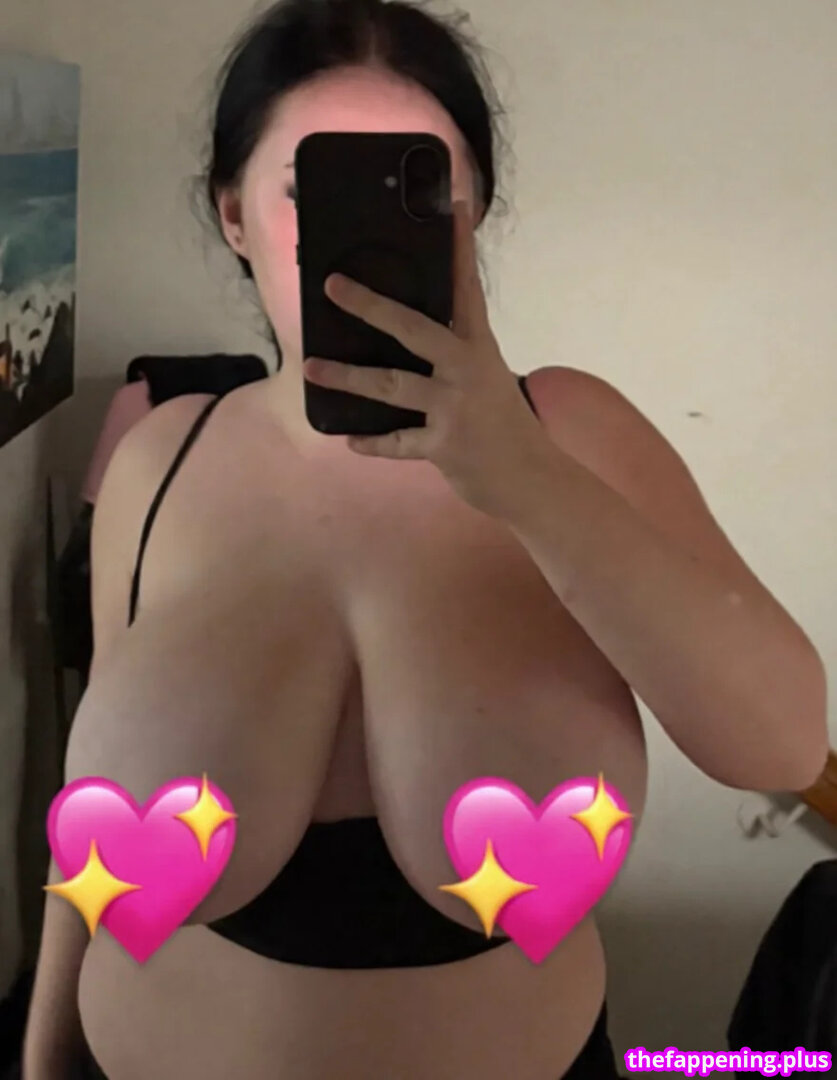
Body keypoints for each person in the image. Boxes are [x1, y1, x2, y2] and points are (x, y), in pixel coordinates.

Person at [23, 0, 828, 1077]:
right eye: (309, 190)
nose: (353, 238)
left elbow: (783, 748)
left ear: (473, 210)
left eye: (418, 187)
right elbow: (90, 804)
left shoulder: (572, 436)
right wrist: (40, 1056)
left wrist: (527, 483)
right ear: (233, 216)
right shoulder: (160, 457)